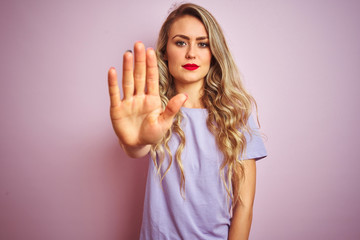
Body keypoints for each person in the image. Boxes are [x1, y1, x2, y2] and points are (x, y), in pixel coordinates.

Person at [107, 3, 266, 240]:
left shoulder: (237, 114)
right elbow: (138, 147)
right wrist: (135, 141)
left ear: (214, 53)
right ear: (165, 51)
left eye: (202, 43)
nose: (191, 53)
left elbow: (244, 205)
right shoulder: (155, 112)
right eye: (181, 42)